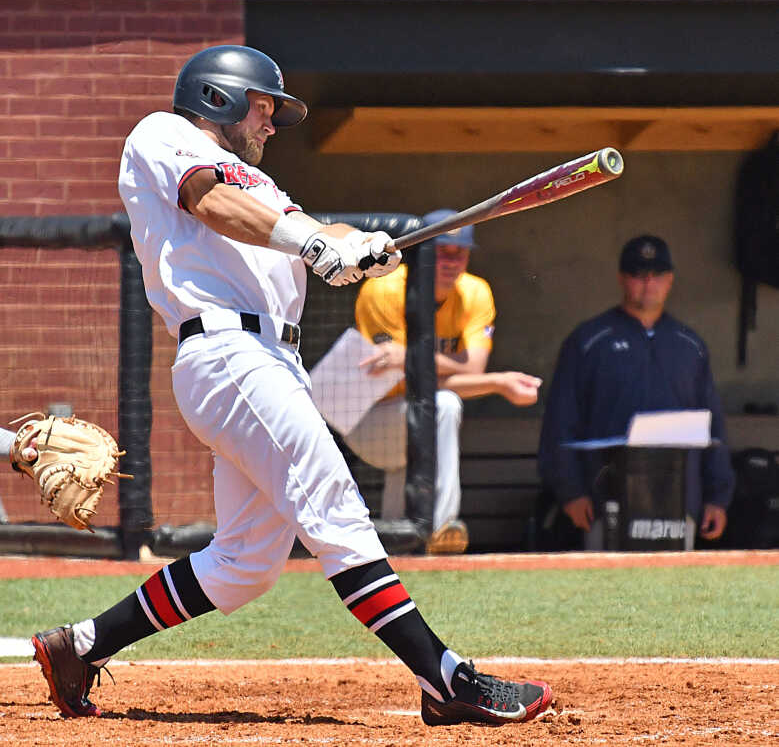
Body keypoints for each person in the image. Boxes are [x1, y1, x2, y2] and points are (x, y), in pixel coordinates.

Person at [29, 45, 551, 726]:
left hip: (268, 362)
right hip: (227, 352)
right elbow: (212, 201)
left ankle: (82, 646)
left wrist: (358, 245)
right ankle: (442, 676)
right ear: (219, 96)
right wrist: (312, 244)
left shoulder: (259, 183)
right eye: (264, 108)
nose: (271, 124)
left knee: (247, 563)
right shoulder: (164, 134)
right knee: (334, 508)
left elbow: (303, 224)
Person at [345, 211, 542, 553]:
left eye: (460, 252)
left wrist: (411, 359)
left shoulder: (475, 292)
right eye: (442, 250)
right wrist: (492, 381)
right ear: (421, 250)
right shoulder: (384, 289)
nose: (452, 261)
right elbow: (403, 381)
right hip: (364, 418)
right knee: (442, 405)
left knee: (426, 421)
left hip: (411, 417)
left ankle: (401, 550)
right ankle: (441, 527)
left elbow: (473, 368)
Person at [538, 234, 735, 550]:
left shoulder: (690, 345)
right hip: (606, 499)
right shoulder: (589, 341)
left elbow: (712, 427)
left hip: (679, 499)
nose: (648, 283)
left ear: (670, 279)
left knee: (675, 592)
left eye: (656, 274)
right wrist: (571, 492)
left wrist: (717, 497)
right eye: (638, 274)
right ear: (621, 278)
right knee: (607, 591)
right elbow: (561, 421)